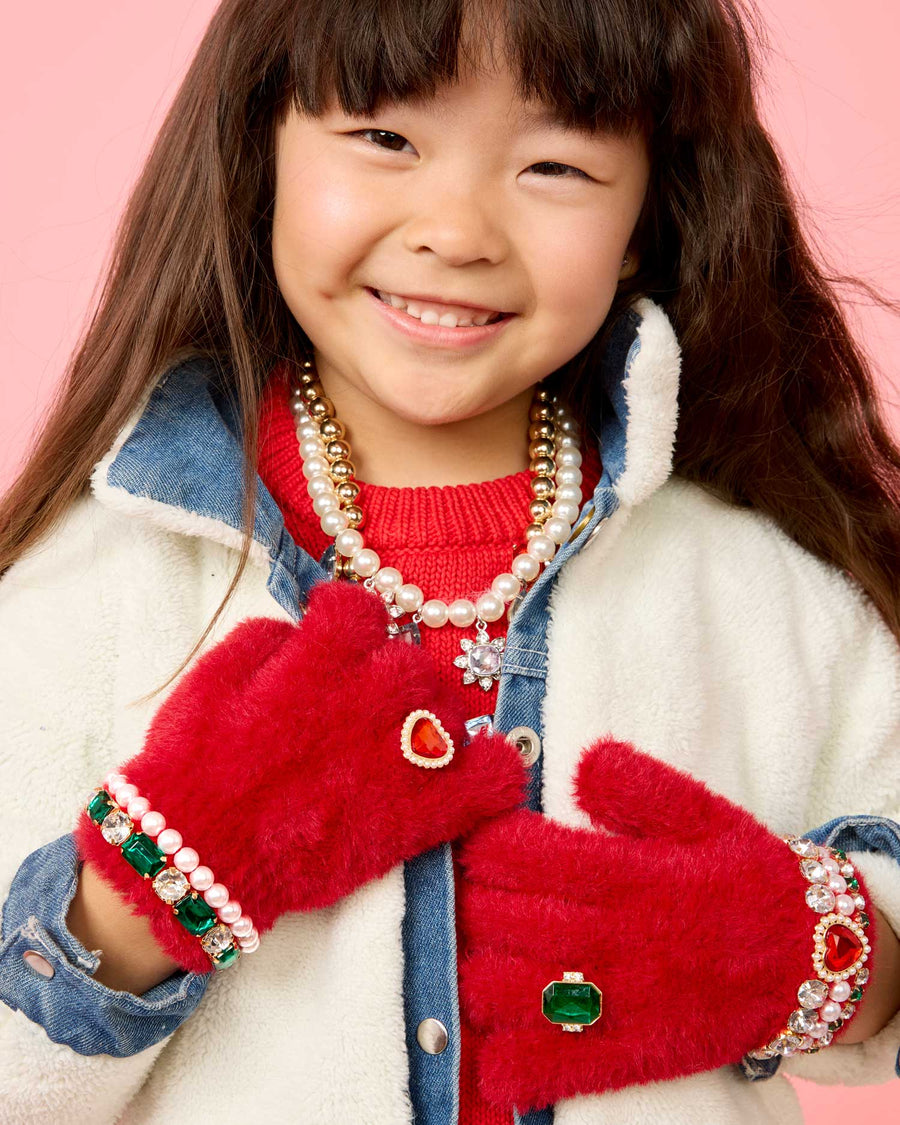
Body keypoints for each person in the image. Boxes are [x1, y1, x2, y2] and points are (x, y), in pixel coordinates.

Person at [1, 0, 899, 1122]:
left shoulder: (763, 591)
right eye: (386, 138)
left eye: (557, 165)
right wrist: (152, 889)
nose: (458, 230)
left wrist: (823, 955)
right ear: (258, 152)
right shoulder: (96, 588)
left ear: (646, 218)